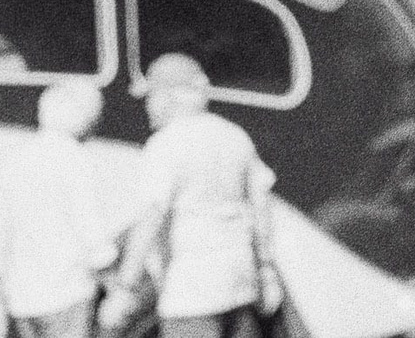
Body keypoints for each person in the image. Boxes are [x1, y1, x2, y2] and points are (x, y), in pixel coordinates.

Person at [98, 55, 279, 338]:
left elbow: (149, 220)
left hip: (190, 296)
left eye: (151, 96)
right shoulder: (235, 136)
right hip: (241, 286)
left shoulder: (165, 145)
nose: (147, 106)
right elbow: (261, 208)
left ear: (168, 96)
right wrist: (267, 274)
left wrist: (123, 289)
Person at [0, 82, 120, 338]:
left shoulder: (15, 159)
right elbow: (93, 237)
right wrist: (115, 289)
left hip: (21, 300)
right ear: (85, 118)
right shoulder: (76, 161)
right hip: (66, 296)